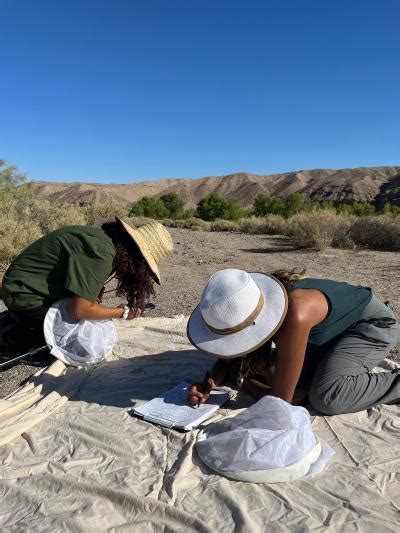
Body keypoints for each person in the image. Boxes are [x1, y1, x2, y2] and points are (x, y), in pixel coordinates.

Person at [187, 268, 400, 415]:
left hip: (371, 326)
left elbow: (280, 401)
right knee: (277, 374)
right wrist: (209, 384)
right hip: (328, 336)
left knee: (327, 395)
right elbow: (230, 361)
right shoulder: (245, 301)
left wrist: (245, 382)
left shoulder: (295, 315)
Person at [1, 218, 173, 352]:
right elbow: (81, 310)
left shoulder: (106, 243)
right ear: (137, 257)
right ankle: (16, 333)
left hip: (28, 287)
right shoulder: (102, 254)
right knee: (77, 345)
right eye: (144, 267)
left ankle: (22, 323)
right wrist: (123, 312)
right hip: (24, 295)